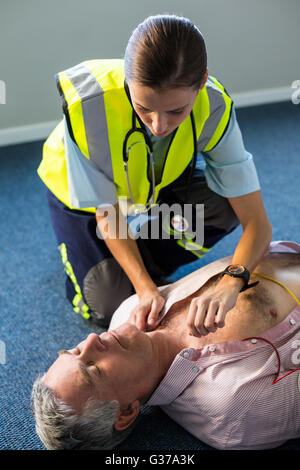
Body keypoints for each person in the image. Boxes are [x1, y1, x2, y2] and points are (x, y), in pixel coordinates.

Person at [37, 14, 272, 330]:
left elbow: (256, 221)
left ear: (202, 82)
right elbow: (107, 213)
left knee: (224, 206)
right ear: (128, 83)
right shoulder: (87, 107)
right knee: (109, 305)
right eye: (144, 108)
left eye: (176, 111)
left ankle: (137, 245)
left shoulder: (214, 106)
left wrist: (232, 281)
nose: (159, 126)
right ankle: (99, 257)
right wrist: (145, 288)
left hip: (152, 185)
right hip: (84, 201)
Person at [31, 241, 300, 450]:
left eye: (75, 350)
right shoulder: (235, 413)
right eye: (93, 369)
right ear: (125, 412)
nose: (92, 340)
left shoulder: (128, 313)